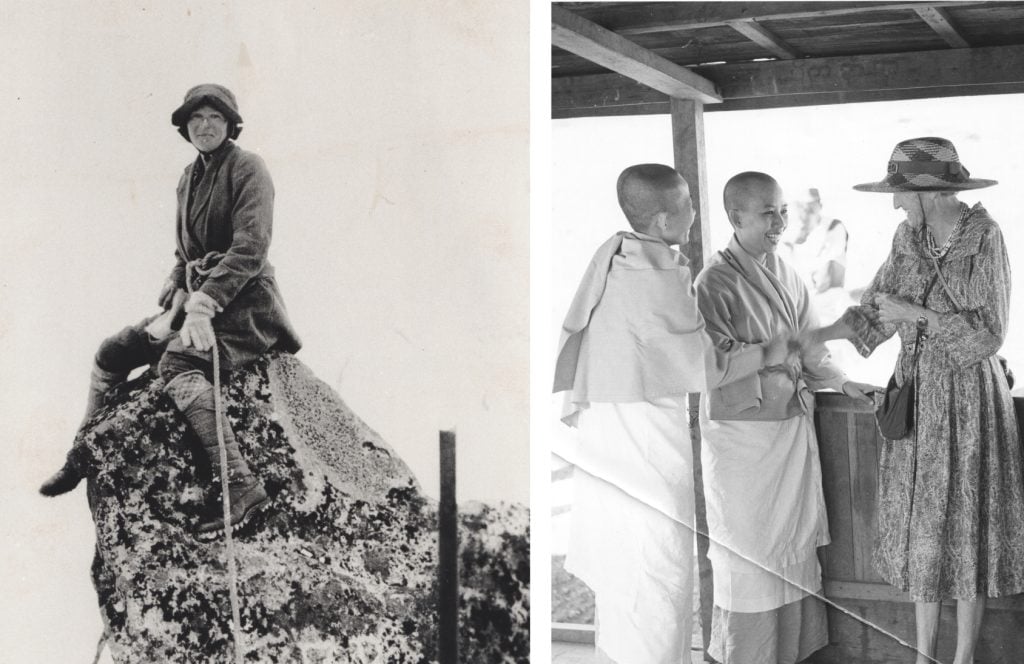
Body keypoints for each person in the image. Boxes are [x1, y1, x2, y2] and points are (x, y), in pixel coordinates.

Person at [39, 84, 302, 538]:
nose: (204, 126)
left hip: (247, 305)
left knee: (178, 362)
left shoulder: (248, 168)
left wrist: (204, 303)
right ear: (185, 127)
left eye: (214, 118)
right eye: (195, 119)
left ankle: (241, 485)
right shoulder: (189, 176)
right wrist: (177, 294)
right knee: (114, 352)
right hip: (199, 299)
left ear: (230, 124)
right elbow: (186, 252)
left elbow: (251, 248)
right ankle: (82, 453)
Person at [803, 137, 1024, 664]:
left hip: (971, 401)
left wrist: (916, 316)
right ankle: (924, 655)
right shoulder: (909, 237)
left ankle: (963, 656)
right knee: (925, 527)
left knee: (969, 525)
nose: (895, 204)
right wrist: (814, 335)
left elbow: (988, 338)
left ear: (930, 193)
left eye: (901, 194)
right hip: (919, 398)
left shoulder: (985, 237)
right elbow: (879, 308)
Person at [694, 171, 873, 664]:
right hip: (743, 439)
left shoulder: (787, 271)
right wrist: (787, 346)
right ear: (737, 218)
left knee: (791, 549)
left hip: (791, 429)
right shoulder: (713, 284)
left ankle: (791, 655)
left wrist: (843, 382)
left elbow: (809, 344)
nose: (779, 222)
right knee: (748, 553)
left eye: (783, 210)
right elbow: (715, 365)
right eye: (767, 212)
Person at [553, 164, 710, 663]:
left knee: (627, 583)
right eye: (687, 203)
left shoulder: (619, 258)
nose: (694, 212)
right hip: (644, 453)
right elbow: (706, 365)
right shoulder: (654, 277)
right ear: (664, 220)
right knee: (657, 577)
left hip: (615, 441)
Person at [782, 188, 848, 295]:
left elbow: (830, 260)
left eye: (810, 210)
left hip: (828, 296)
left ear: (819, 207)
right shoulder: (791, 231)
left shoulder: (834, 227)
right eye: (802, 209)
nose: (804, 214)